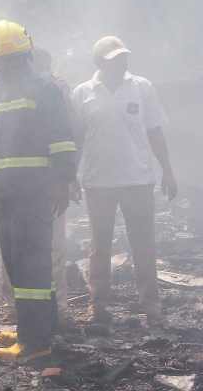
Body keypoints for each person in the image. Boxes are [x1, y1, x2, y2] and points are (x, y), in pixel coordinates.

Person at [0, 20, 77, 363]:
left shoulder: (44, 88)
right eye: (0, 62)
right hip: (6, 192)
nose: (6, 67)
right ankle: (37, 326)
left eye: (12, 60)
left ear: (25, 56)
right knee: (17, 262)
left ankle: (35, 342)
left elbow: (63, 137)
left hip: (33, 192)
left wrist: (63, 180)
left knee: (30, 262)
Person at [70, 36, 175, 327]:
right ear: (98, 62)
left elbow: (155, 132)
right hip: (98, 183)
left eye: (123, 57)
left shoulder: (142, 87)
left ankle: (152, 308)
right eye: (115, 58)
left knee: (143, 244)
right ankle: (98, 306)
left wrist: (167, 170)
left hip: (138, 180)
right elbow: (76, 140)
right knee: (98, 246)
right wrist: (70, 177)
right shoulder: (82, 93)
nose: (122, 62)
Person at [0, 48, 82, 329]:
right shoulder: (10, 94)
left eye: (49, 68)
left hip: (45, 187)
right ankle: (15, 308)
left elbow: (69, 135)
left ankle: (56, 309)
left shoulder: (52, 92)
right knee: (14, 249)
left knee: (54, 247)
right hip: (16, 189)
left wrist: (66, 178)